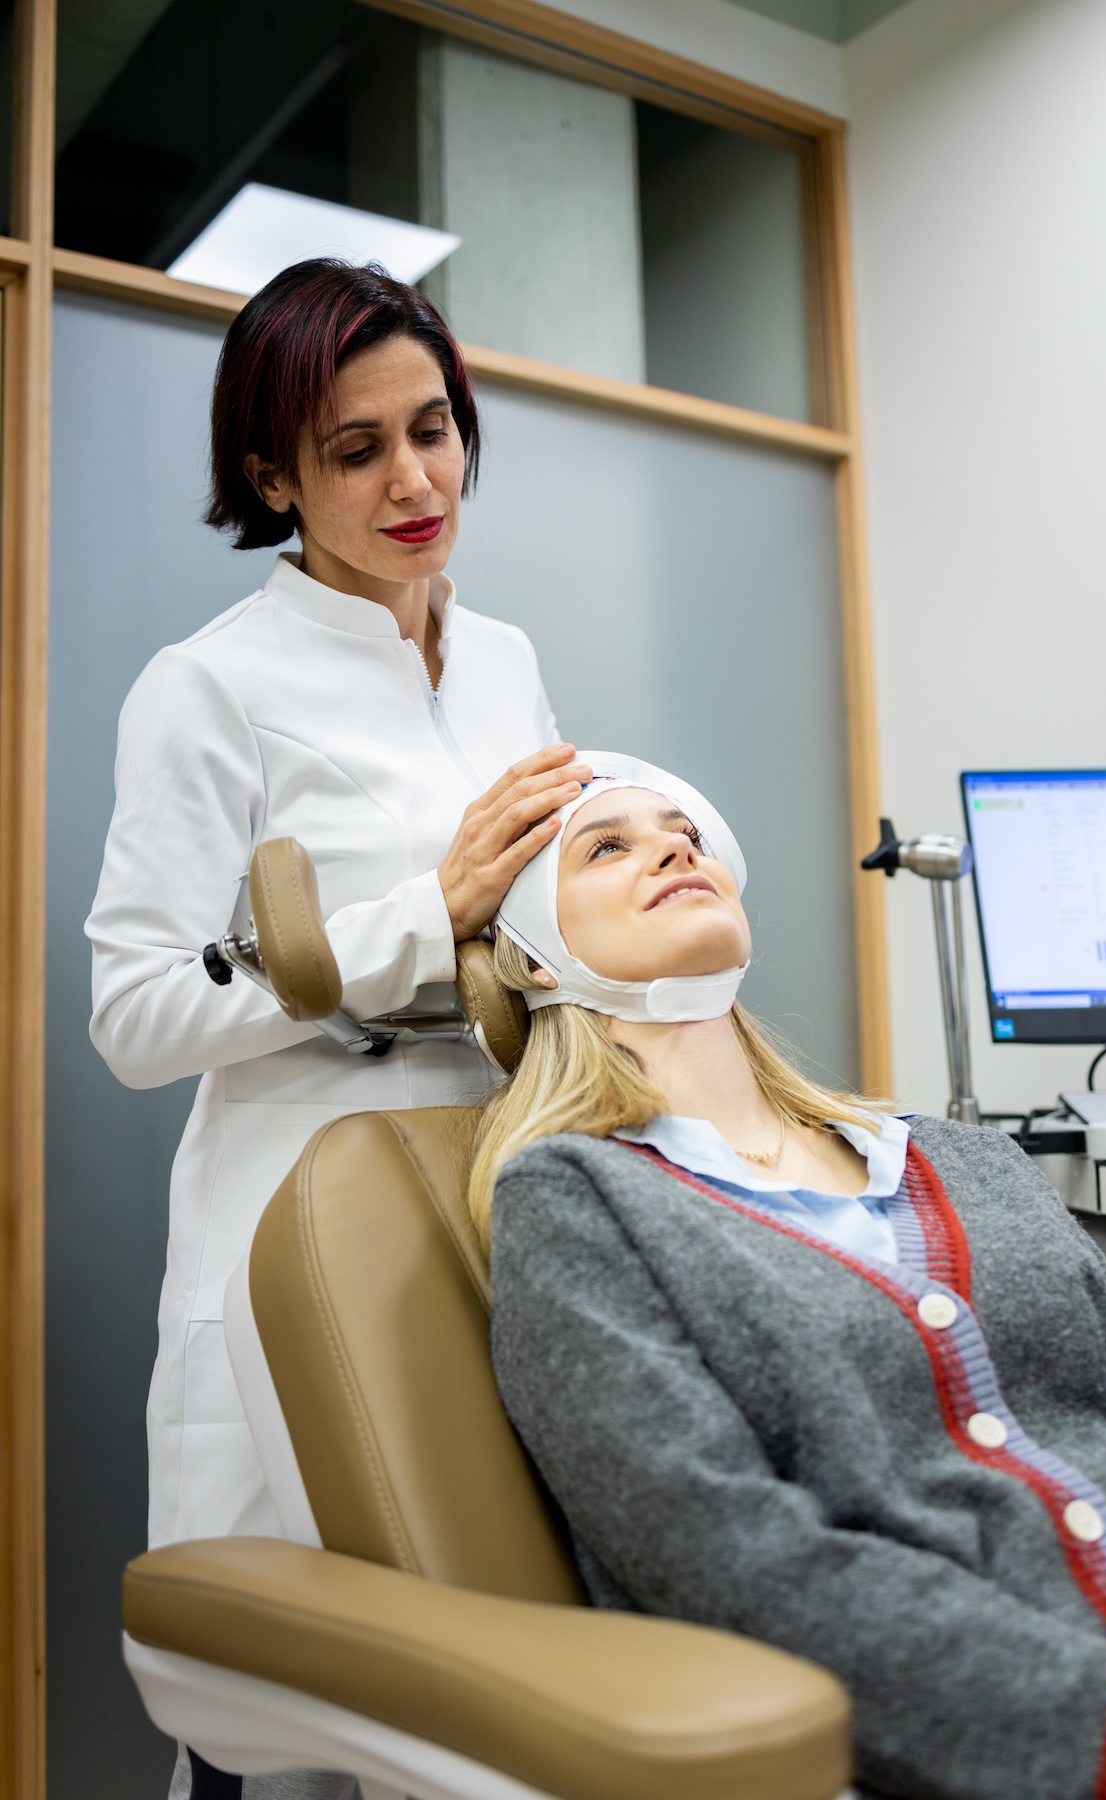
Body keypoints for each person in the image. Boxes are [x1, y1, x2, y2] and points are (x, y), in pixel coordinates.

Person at [475, 753, 1106, 1800]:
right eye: (609, 847)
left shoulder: (964, 1160)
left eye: (683, 831)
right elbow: (729, 1559)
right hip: (1034, 1746)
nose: (675, 847)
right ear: (537, 961)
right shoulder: (577, 1201)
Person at [87, 262, 588, 1578]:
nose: (417, 483)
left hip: (496, 1208)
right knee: (287, 1713)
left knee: (482, 1676)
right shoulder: (208, 688)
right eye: (356, 450)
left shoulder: (505, 661)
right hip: (298, 1231)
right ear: (272, 478)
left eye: (433, 429)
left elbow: (526, 924)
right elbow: (136, 1015)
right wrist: (426, 915)